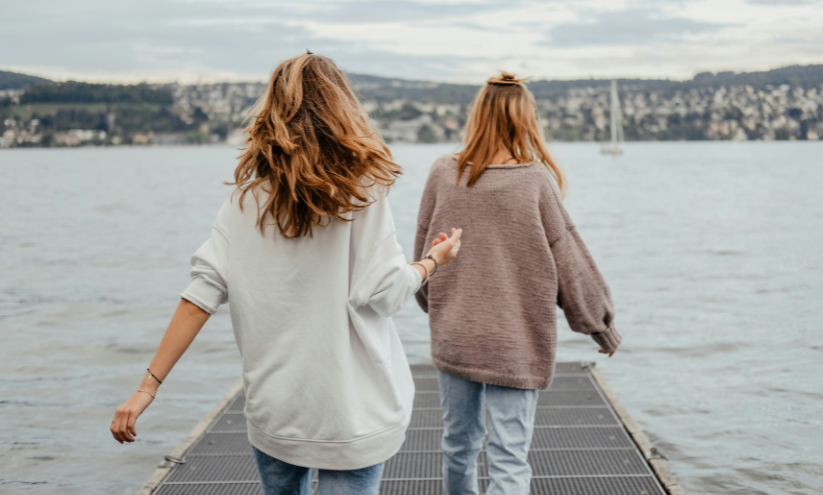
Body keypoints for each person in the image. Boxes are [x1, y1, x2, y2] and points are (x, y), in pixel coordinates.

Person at [109, 53, 462, 495]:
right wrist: (433, 261)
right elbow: (386, 294)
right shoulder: (364, 194)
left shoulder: (244, 201)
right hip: (353, 410)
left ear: (271, 111)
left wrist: (148, 387)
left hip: (277, 409)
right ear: (342, 108)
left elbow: (198, 298)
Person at [413, 71, 621, 495]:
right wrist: (599, 324)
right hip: (515, 342)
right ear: (527, 120)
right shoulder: (534, 181)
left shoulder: (441, 172)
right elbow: (571, 262)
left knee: (458, 445)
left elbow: (423, 256)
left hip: (456, 334)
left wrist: (437, 305)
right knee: (509, 457)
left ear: (477, 116)